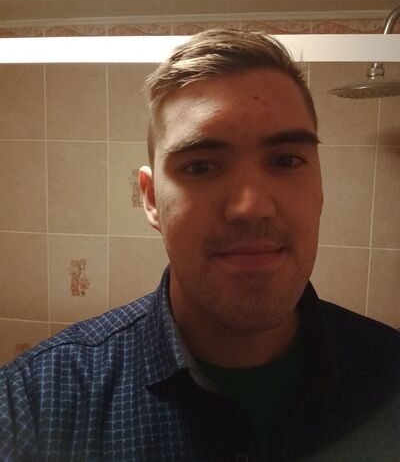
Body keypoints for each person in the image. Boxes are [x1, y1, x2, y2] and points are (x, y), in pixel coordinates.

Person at [1, 29, 399, 462]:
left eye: (286, 160)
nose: (251, 206)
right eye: (201, 166)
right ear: (151, 199)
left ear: (319, 186)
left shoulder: (390, 372)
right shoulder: (35, 404)